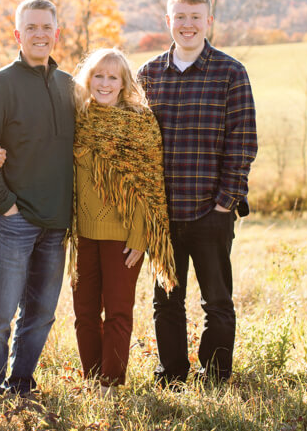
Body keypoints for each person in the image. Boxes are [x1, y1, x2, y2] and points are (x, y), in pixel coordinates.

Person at [137, 0, 257, 387]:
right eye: (180, 17)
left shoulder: (230, 72)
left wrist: (225, 204)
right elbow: (134, 144)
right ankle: (171, 374)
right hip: (163, 216)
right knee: (166, 303)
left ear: (208, 21)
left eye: (195, 17)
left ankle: (216, 376)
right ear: (168, 22)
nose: (187, 25)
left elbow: (243, 144)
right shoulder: (148, 74)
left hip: (212, 212)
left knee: (217, 303)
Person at [0, 0, 75, 404]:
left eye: (46, 27)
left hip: (56, 222)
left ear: (55, 33)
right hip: (13, 219)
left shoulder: (68, 85)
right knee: (0, 314)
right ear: (18, 34)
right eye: (30, 27)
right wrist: (5, 202)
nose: (39, 34)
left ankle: (22, 383)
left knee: (42, 313)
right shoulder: (0, 85)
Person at [69, 47, 178, 394]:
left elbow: (149, 184)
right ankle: (93, 379)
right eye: (98, 76)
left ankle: (111, 384)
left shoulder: (139, 122)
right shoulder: (77, 118)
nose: (104, 83)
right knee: (85, 314)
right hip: (82, 234)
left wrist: (140, 236)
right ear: (88, 80)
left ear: (123, 82)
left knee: (118, 312)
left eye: (112, 77)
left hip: (123, 237)